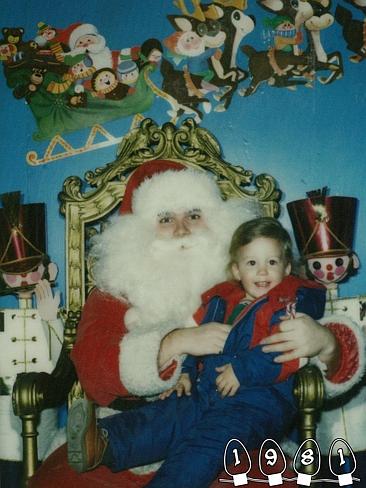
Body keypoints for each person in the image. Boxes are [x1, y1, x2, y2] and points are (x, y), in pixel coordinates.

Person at [29, 161, 364, 488]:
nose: (181, 229)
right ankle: (102, 443)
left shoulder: (255, 279)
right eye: (165, 218)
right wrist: (173, 344)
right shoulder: (113, 293)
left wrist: (326, 343)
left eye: (193, 215)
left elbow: (306, 343)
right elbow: (90, 367)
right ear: (138, 233)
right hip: (135, 423)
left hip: (243, 422)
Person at [66, 217, 327, 488]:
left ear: (286, 268)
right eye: (252, 263)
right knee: (170, 415)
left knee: (205, 444)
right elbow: (198, 345)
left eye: (271, 262)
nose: (262, 272)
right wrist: (186, 373)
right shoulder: (220, 300)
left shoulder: (289, 303)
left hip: (259, 403)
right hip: (208, 392)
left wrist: (242, 370)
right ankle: (105, 443)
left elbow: (287, 351)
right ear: (237, 270)